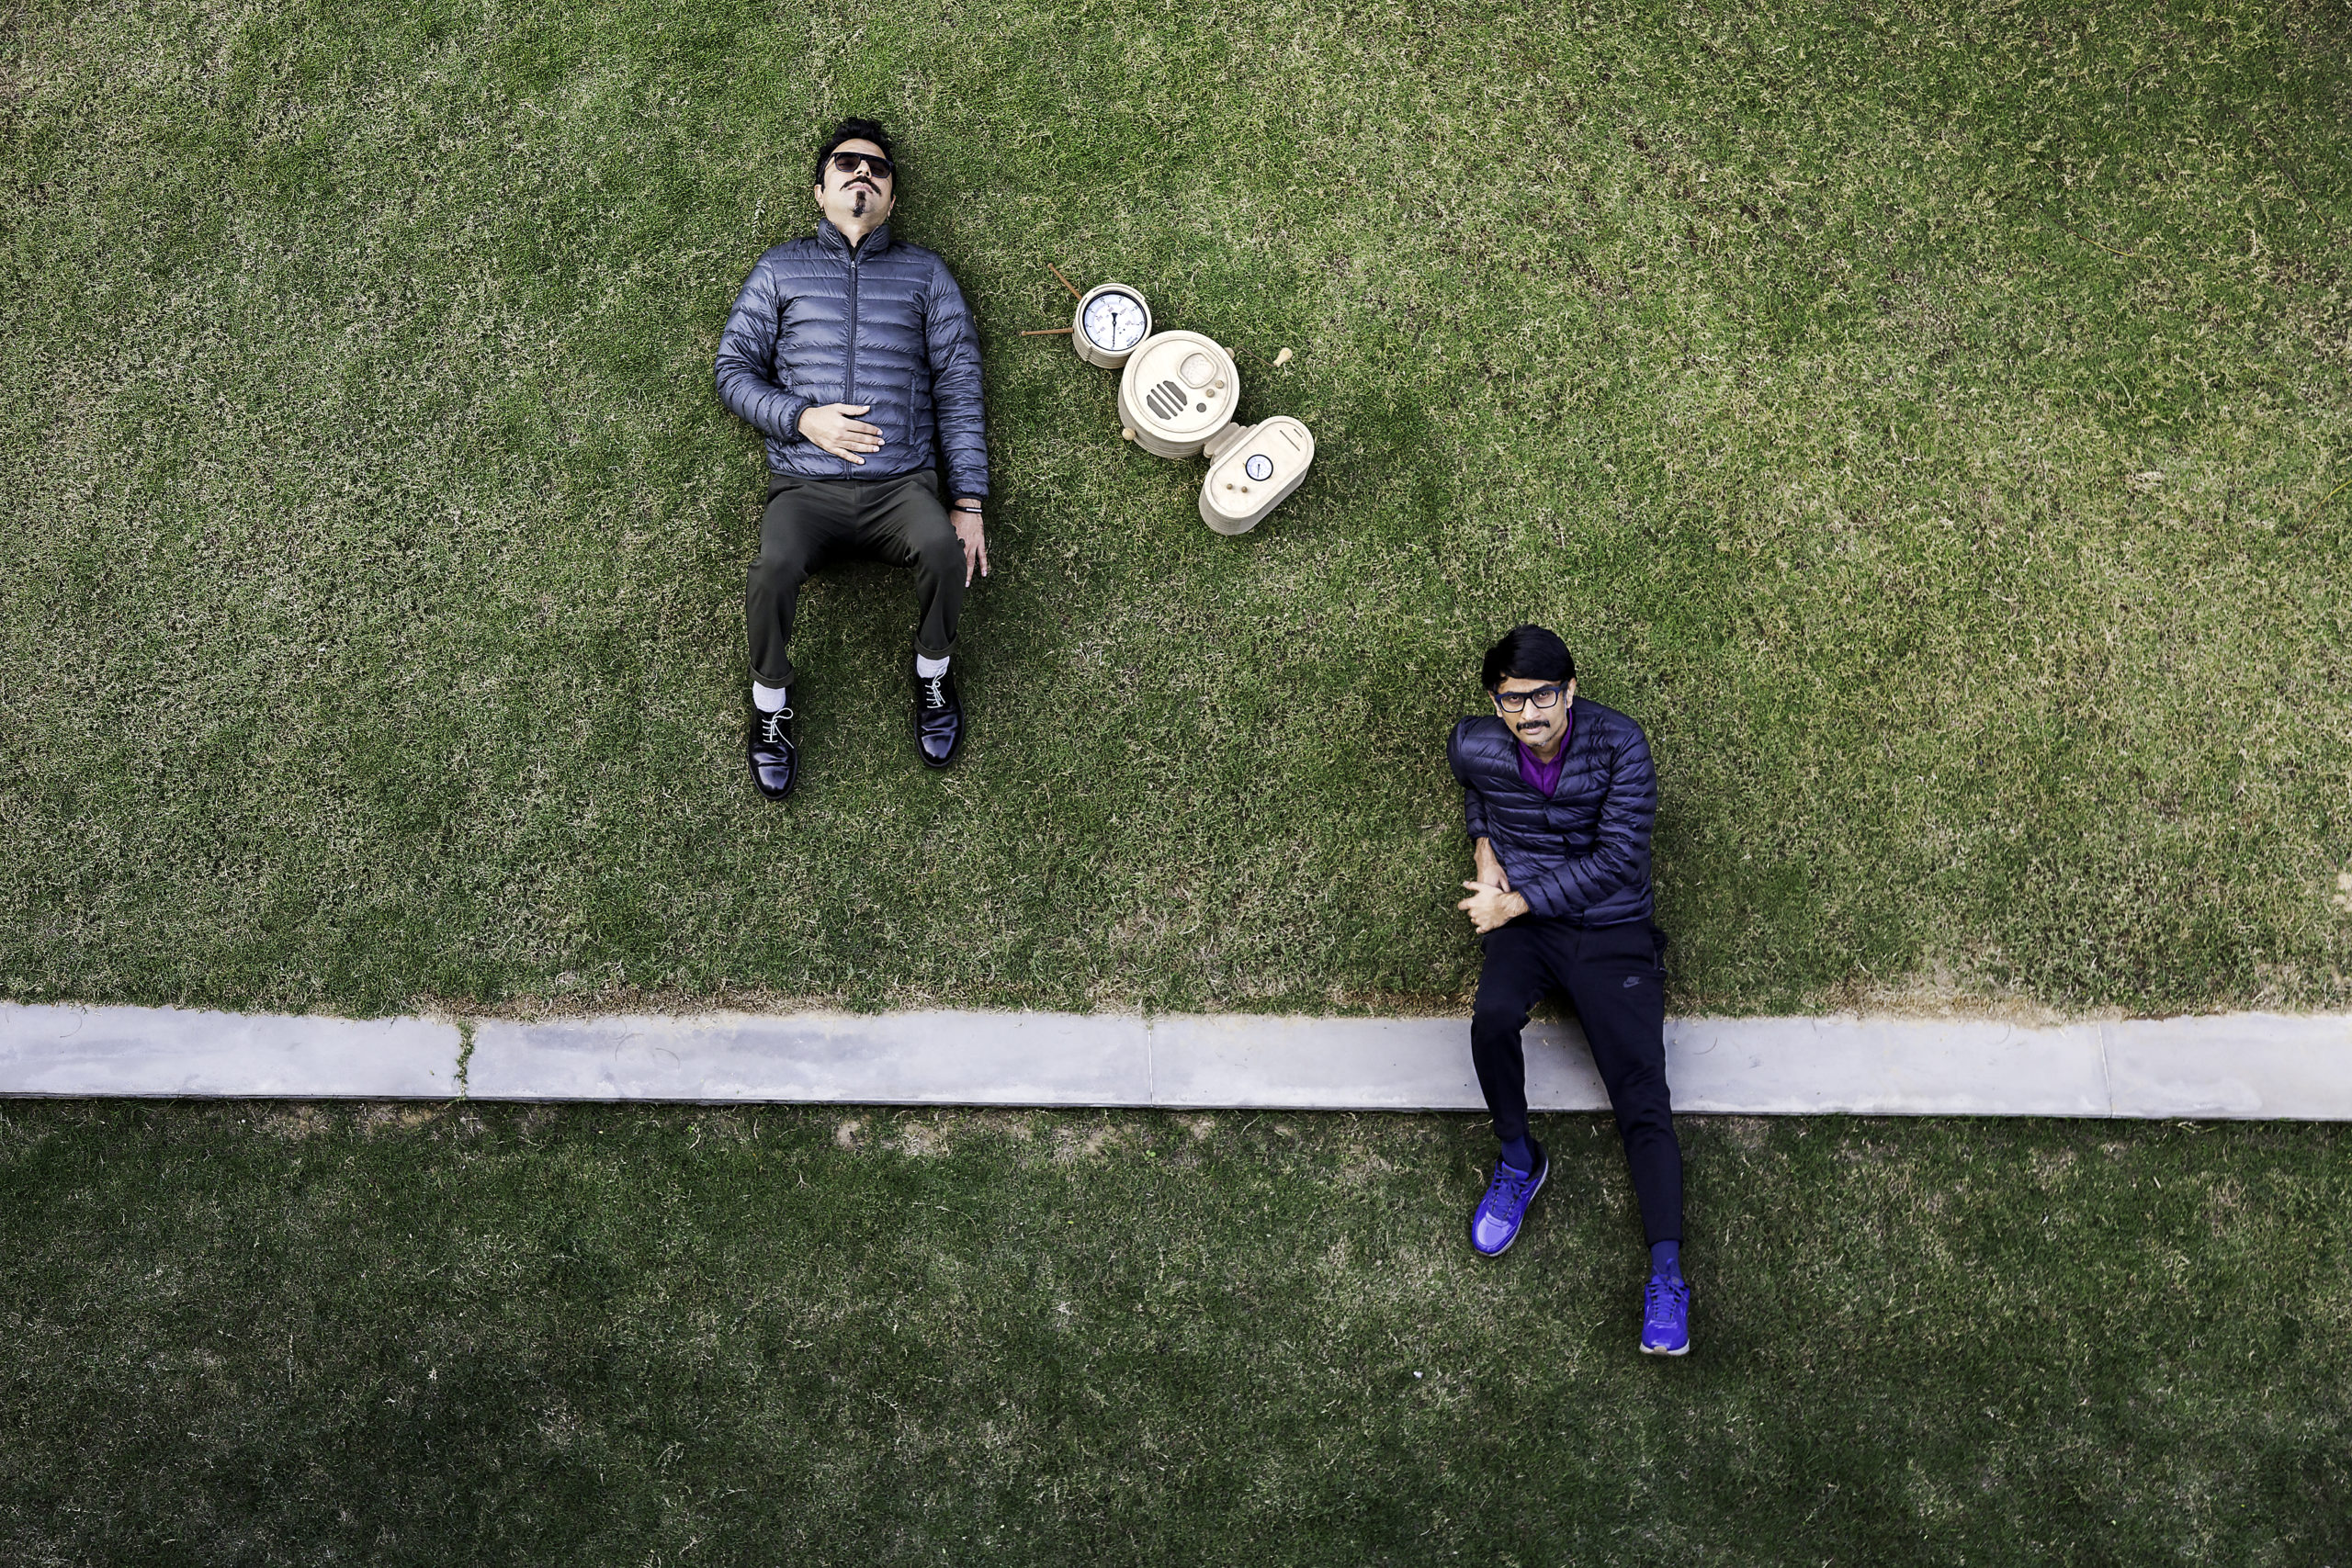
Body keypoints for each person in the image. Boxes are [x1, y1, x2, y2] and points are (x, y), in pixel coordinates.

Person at [715, 118, 990, 800]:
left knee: (943, 551)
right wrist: (802, 418)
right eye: (846, 164)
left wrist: (970, 501)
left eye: (877, 168)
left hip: (902, 487)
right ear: (821, 189)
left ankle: (932, 674)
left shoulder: (926, 274)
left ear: (892, 199)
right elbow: (731, 370)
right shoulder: (779, 269)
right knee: (773, 569)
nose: (862, 173)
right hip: (804, 489)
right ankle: (771, 708)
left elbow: (959, 382)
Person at [1447, 625, 1690, 1356]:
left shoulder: (1622, 745)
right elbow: (1476, 788)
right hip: (1529, 927)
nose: (1528, 715)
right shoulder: (1475, 742)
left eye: (1543, 695)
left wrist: (1511, 903)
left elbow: (1619, 859)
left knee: (1642, 1095)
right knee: (1490, 1020)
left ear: (1572, 690)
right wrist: (1486, 854)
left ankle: (1668, 1277)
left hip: (1609, 927)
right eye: (1512, 700)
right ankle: (1521, 1158)